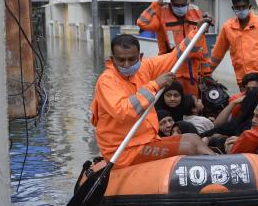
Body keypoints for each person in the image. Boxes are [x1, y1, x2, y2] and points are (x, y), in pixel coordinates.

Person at [91, 34, 213, 167]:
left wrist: (197, 31)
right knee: (189, 148)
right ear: (112, 59)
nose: (127, 65)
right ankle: (219, 166)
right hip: (124, 150)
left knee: (193, 138)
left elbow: (174, 57)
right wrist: (155, 85)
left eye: (131, 59)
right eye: (121, 60)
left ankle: (221, 162)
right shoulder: (107, 81)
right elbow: (123, 111)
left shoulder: (144, 68)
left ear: (140, 57)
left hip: (146, 140)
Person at [136, 0, 214, 96]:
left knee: (192, 104)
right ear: (171, 4)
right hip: (170, 67)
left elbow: (202, 44)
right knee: (171, 101)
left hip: (192, 70)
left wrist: (206, 73)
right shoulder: (162, 13)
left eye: (183, 5)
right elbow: (142, 22)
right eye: (177, 5)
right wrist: (156, 5)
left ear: (187, 3)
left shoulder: (195, 12)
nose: (180, 7)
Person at [210, 0, 258, 89]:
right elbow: (217, 54)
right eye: (238, 7)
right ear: (233, 8)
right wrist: (206, 74)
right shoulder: (227, 27)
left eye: (244, 7)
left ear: (249, 6)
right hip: (243, 79)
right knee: (247, 103)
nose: (241, 10)